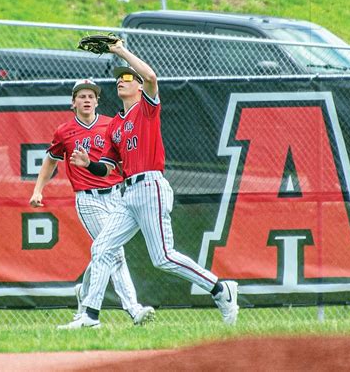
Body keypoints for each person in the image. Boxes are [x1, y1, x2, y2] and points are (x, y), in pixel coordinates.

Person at [67, 41, 239, 328]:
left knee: (163, 258)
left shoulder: (146, 109)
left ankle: (221, 289)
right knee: (102, 249)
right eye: (119, 78)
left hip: (150, 187)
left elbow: (151, 77)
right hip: (127, 193)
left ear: (138, 86)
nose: (122, 81)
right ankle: (90, 316)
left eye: (127, 78)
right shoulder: (115, 126)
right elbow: (107, 167)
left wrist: (120, 51)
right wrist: (88, 164)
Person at [29, 79, 155, 329]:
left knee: (103, 251)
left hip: (118, 196)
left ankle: (84, 293)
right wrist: (37, 190)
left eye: (91, 96)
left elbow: (125, 154)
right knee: (114, 252)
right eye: (81, 96)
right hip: (89, 200)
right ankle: (134, 309)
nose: (87, 100)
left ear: (98, 101)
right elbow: (50, 161)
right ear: (73, 102)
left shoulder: (110, 125)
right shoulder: (64, 131)